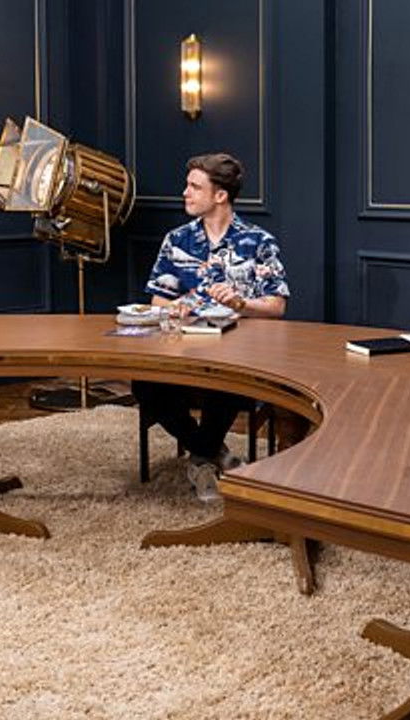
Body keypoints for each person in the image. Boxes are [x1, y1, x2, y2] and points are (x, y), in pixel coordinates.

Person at [132, 153, 289, 501]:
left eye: (194, 187)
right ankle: (210, 451)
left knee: (226, 378)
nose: (185, 192)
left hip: (237, 354)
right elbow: (158, 300)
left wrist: (241, 304)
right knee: (144, 383)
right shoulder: (176, 240)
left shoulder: (259, 241)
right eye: (187, 185)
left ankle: (202, 458)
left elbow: (277, 306)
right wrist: (178, 306)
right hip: (182, 349)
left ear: (220, 195)